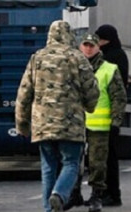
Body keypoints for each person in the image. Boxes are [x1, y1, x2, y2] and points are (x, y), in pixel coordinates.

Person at [15, 20, 100, 212]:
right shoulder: (78, 58)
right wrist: (90, 106)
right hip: (71, 124)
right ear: (70, 36)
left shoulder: (37, 58)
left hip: (43, 124)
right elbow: (91, 90)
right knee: (70, 163)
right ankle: (59, 195)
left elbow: (24, 93)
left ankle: (49, 209)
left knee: (48, 167)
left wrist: (22, 124)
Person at [76, 32, 127, 212]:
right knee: (74, 161)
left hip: (100, 126)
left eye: (92, 45)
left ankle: (97, 194)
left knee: (97, 163)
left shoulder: (109, 69)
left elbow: (119, 98)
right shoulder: (73, 68)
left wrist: (116, 121)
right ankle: (75, 194)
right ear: (80, 47)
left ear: (98, 47)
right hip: (76, 125)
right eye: (85, 45)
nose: (88, 49)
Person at [96, 25, 128, 207]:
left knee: (108, 158)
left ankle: (112, 193)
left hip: (108, 114)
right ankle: (109, 192)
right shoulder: (119, 55)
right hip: (106, 115)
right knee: (106, 157)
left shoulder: (111, 58)